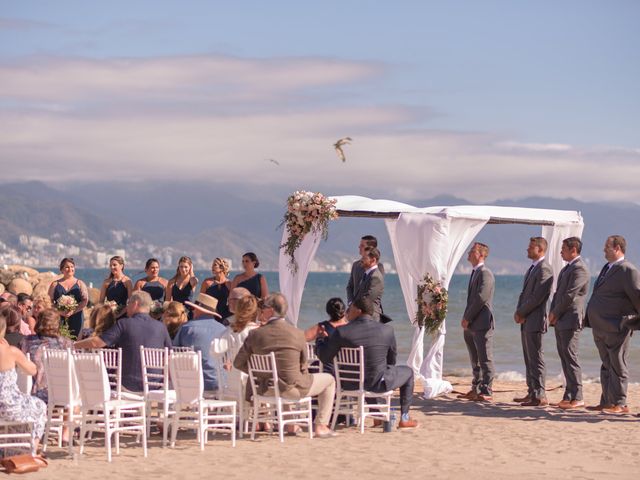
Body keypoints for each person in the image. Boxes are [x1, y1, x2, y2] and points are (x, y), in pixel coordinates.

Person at [234, 293, 337, 438]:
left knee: (285, 379)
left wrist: (259, 373)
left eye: (263, 307)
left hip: (264, 388)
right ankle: (321, 425)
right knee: (329, 380)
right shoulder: (298, 334)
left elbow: (238, 362)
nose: (261, 310)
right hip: (290, 389)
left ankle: (290, 425)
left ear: (270, 311)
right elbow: (303, 366)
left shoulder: (255, 335)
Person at [317, 297, 418, 429]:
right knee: (408, 372)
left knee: (366, 373)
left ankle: (376, 414)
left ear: (359, 311)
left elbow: (325, 357)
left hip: (349, 383)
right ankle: (404, 418)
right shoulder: (387, 330)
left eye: (350, 308)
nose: (347, 311)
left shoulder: (341, 332)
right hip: (376, 383)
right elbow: (392, 360)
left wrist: (319, 340)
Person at [74, 291, 172, 394]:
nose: (126, 307)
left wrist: (74, 345)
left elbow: (97, 343)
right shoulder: (161, 327)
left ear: (135, 304)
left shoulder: (124, 324)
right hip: (156, 385)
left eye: (128, 303)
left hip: (129, 385)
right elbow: (169, 356)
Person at [584, 235, 640, 414]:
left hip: (617, 326)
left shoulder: (628, 270)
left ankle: (620, 403)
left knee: (618, 364)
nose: (603, 250)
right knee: (606, 364)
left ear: (617, 248)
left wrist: (631, 322)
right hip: (600, 326)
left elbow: (637, 297)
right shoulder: (607, 267)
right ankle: (607, 401)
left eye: (607, 247)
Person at [548, 236, 590, 410]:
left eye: (563, 249)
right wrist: (552, 312)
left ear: (573, 250)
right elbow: (558, 293)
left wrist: (555, 313)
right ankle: (569, 394)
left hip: (571, 318)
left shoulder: (580, 269)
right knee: (564, 357)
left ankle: (578, 396)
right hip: (561, 318)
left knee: (571, 357)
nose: (560, 252)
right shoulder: (567, 269)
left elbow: (570, 295)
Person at [513, 237, 553, 407]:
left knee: (536, 358)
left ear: (540, 249)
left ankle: (540, 394)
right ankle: (532, 392)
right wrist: (518, 312)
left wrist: (522, 312)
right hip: (526, 319)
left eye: (530, 247)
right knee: (529, 358)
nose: (527, 250)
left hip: (535, 319)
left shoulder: (545, 269)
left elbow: (538, 297)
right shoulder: (533, 268)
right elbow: (524, 294)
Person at [0, 314, 46, 453]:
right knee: (40, 407)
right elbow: (32, 370)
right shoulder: (11, 351)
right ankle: (32, 450)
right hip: (8, 405)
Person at [459, 242, 495, 402]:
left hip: (481, 322)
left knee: (485, 357)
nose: (468, 253)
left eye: (472, 251)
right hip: (472, 323)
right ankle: (476, 387)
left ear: (481, 255)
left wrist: (468, 317)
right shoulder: (475, 272)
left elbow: (481, 298)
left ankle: (487, 389)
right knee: (475, 358)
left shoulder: (485, 273)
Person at [173, 293, 226, 393]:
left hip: (191, 383)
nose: (192, 311)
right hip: (219, 382)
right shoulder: (223, 330)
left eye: (194, 308)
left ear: (198, 310)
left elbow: (174, 352)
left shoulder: (187, 328)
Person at [21, 309, 75, 403]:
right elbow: (73, 369)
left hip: (34, 392)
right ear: (57, 324)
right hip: (62, 392)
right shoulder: (66, 344)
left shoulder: (27, 341)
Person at [48, 257, 89, 339]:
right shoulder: (55, 284)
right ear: (61, 269)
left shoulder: (80, 283)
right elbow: (49, 301)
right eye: (67, 267)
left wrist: (74, 311)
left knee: (75, 341)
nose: (70, 269)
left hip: (76, 316)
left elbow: (85, 300)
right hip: (59, 317)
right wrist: (59, 311)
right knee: (59, 340)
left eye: (72, 267)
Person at [349, 247, 384, 322]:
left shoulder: (375, 277)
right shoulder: (368, 274)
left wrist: (352, 310)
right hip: (361, 316)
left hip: (370, 319)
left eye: (364, 258)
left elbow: (367, 300)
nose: (361, 260)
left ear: (373, 260)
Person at [200, 257, 232, 322]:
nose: (212, 267)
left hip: (225, 315)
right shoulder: (207, 282)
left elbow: (232, 302)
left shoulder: (229, 284)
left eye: (214, 265)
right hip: (209, 315)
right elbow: (200, 301)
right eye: (212, 265)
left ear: (221, 267)